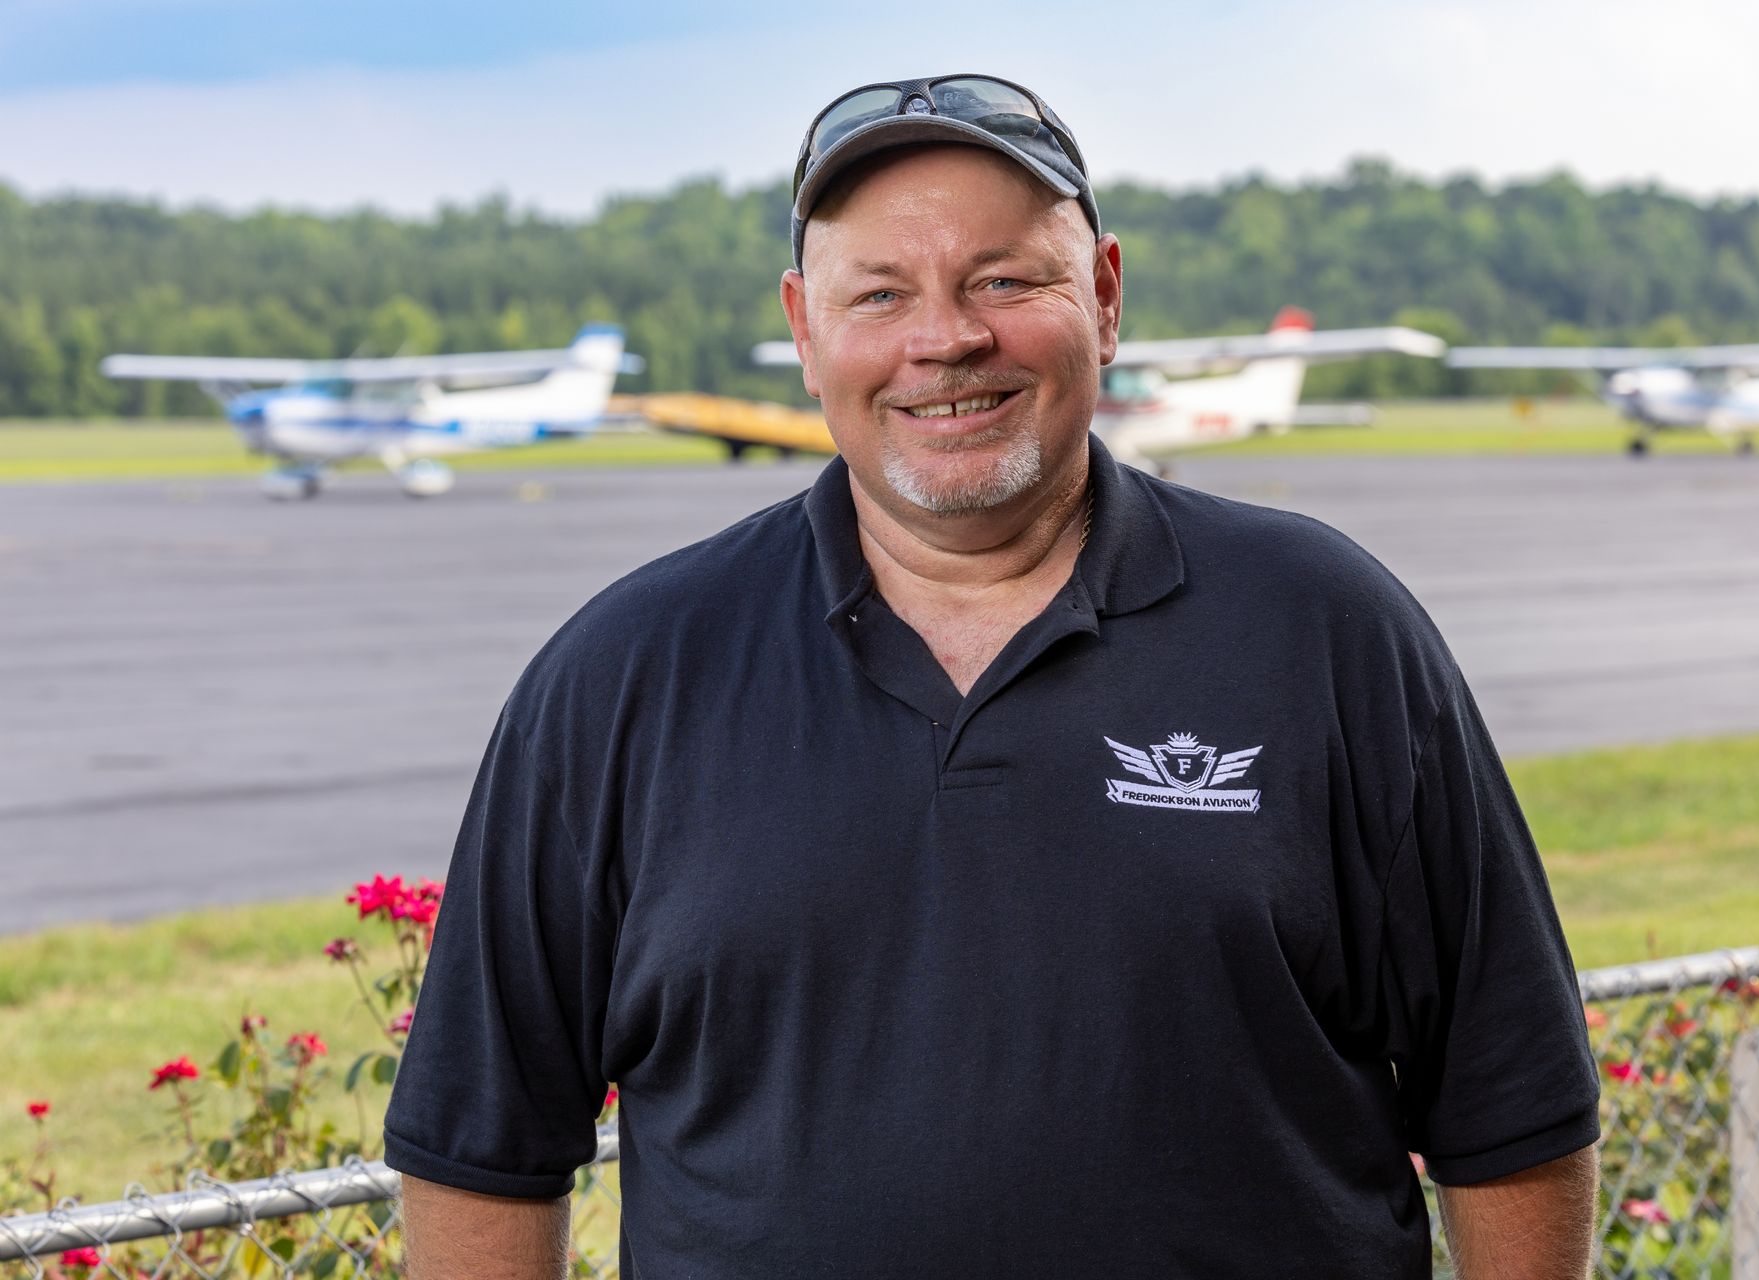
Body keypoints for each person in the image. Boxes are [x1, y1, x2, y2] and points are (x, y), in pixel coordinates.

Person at [384, 73, 1600, 1279]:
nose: (945, 338)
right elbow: (480, 1144)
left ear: (1106, 299)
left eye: (1004, 281)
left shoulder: (1329, 629)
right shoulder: (621, 674)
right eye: (881, 294)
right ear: (807, 332)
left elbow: (1513, 1109)